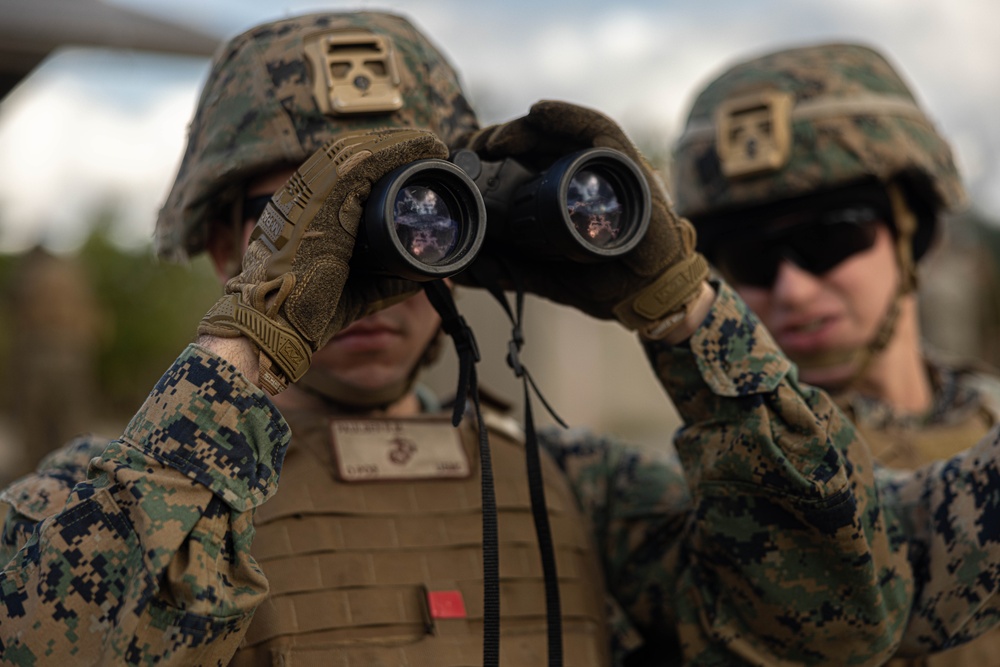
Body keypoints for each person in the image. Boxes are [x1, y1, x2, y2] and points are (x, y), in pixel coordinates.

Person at [0, 14, 996, 666]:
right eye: (293, 223)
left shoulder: (571, 486)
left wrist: (689, 309)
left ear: (464, 231)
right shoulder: (139, 508)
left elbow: (845, 611)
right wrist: (250, 344)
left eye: (396, 214)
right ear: (221, 243)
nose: (357, 273)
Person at [670, 41, 1000, 665]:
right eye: (751, 259)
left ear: (911, 231)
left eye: (830, 238)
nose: (792, 288)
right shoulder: (707, 486)